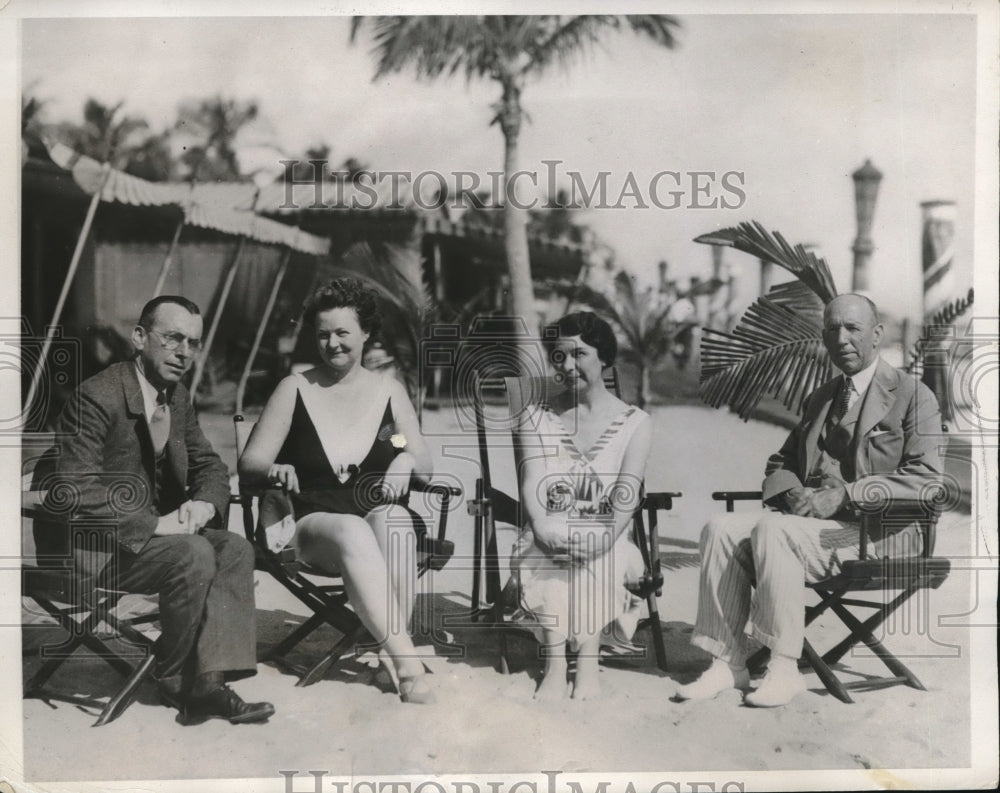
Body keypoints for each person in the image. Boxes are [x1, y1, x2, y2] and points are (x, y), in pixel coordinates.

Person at [676, 293, 943, 707]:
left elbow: (927, 483)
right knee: (720, 528)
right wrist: (792, 490)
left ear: (877, 334)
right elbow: (781, 461)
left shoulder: (913, 395)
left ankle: (783, 668)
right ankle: (727, 665)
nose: (842, 338)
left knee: (774, 529)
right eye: (832, 329)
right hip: (819, 532)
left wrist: (846, 495)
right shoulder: (822, 397)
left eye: (852, 328)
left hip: (881, 535)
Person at [36, 295, 274, 725]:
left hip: (145, 545)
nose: (184, 352)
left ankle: (208, 685)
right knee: (195, 554)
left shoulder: (177, 397)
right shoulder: (96, 398)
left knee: (234, 548)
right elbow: (75, 489)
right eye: (173, 338)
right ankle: (174, 677)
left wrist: (204, 503)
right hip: (88, 547)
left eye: (194, 343)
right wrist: (157, 523)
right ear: (141, 337)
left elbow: (210, 465)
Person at [237, 278, 435, 704]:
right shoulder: (295, 389)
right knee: (351, 529)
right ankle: (406, 661)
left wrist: (402, 460)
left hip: (375, 517)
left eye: (343, 332)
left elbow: (425, 464)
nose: (332, 344)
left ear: (365, 333)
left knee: (397, 519)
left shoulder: (389, 392)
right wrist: (274, 466)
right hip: (311, 524)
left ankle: (389, 653)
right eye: (323, 334)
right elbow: (249, 463)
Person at [511, 311, 651, 700]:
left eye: (580, 354)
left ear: (604, 358)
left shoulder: (636, 422)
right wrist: (539, 527)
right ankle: (556, 665)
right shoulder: (535, 418)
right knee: (556, 537)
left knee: (595, 540)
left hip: (610, 535)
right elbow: (533, 481)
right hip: (547, 530)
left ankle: (587, 661)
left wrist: (605, 538)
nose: (568, 366)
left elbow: (627, 492)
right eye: (559, 357)